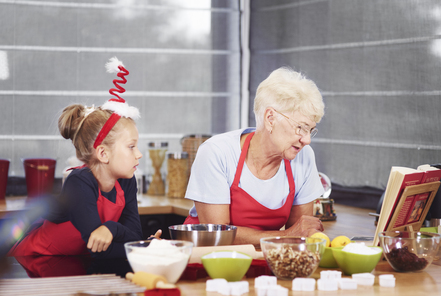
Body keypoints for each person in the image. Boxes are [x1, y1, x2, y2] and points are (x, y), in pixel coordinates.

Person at [8, 57, 158, 259]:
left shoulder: (127, 182)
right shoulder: (79, 182)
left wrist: (115, 230)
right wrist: (143, 247)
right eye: (131, 147)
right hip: (33, 262)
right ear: (103, 153)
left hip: (72, 264)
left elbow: (133, 236)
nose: (139, 154)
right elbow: (97, 249)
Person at [184, 67, 325, 246]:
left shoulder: (303, 157)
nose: (306, 140)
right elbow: (217, 235)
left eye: (310, 130)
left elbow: (299, 235)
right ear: (270, 118)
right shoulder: (216, 152)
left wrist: (293, 235)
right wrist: (285, 236)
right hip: (209, 260)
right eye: (301, 128)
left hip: (266, 259)